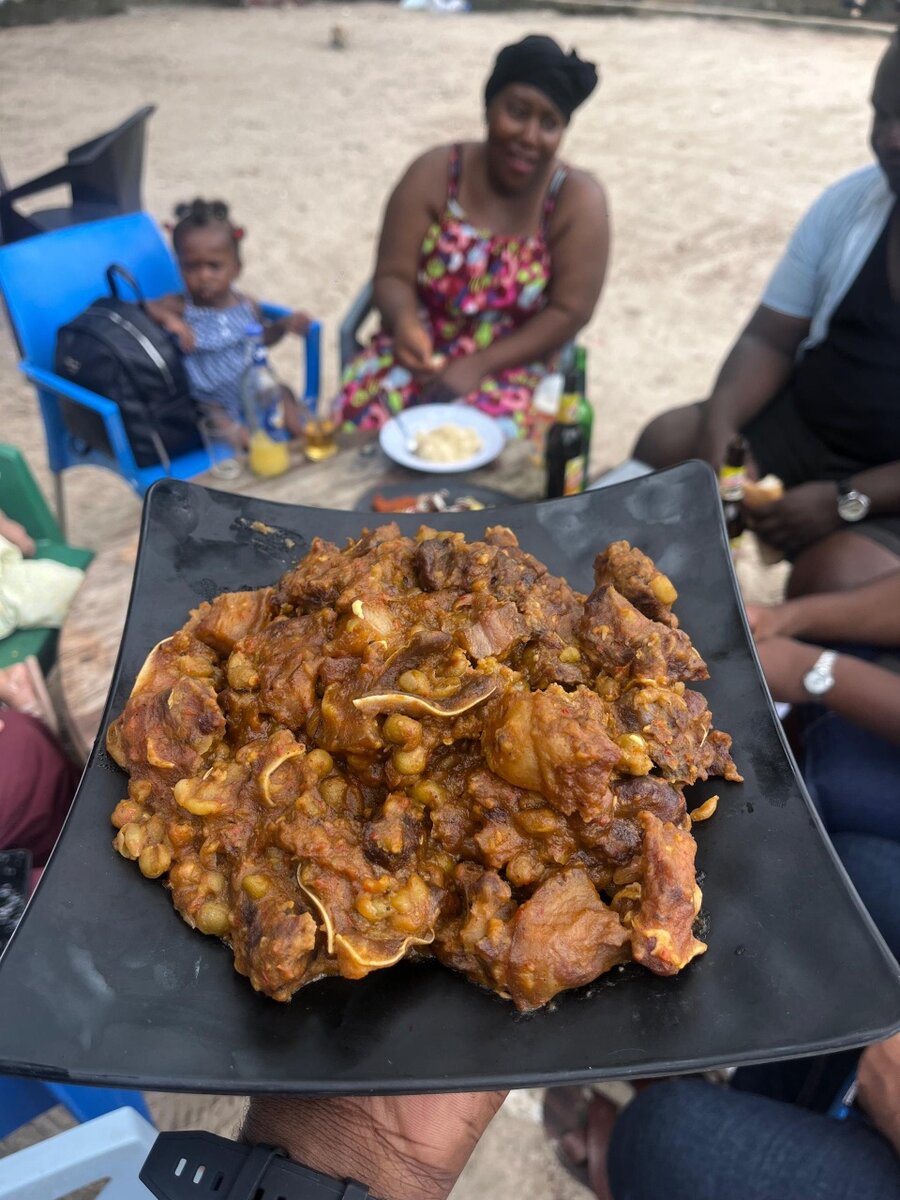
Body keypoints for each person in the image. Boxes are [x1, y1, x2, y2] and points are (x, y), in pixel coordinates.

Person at [633, 35, 900, 598]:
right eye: (882, 113)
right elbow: (770, 340)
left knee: (831, 576)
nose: (891, 139)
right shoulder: (851, 203)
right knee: (668, 442)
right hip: (806, 426)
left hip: (887, 479)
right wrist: (723, 441)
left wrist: (847, 500)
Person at [337, 34, 609, 434]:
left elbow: (570, 311)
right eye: (517, 112)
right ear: (489, 105)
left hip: (513, 367)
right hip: (415, 354)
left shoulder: (575, 200)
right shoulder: (434, 174)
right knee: (362, 437)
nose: (529, 137)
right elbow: (392, 275)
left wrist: (478, 365)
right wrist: (405, 323)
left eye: (549, 123)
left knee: (492, 465)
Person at [147, 198, 315, 444]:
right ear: (179, 266)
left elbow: (263, 339)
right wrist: (169, 319)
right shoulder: (181, 306)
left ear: (236, 267)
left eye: (214, 266)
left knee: (284, 392)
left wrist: (282, 326)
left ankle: (299, 438)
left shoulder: (247, 305)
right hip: (211, 400)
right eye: (191, 267)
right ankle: (250, 444)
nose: (204, 276)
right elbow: (144, 306)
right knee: (222, 424)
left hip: (253, 388)